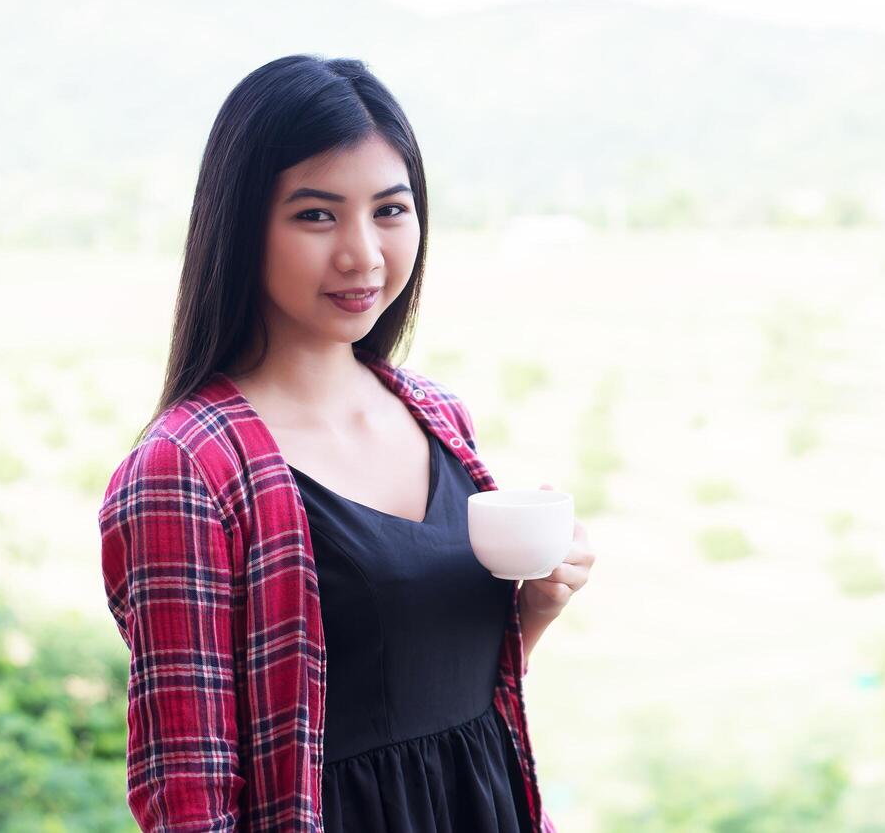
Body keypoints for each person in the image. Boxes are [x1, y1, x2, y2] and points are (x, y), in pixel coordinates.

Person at [97, 54, 594, 831]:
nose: (362, 253)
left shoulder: (436, 414)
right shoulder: (186, 470)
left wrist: (531, 611)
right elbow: (188, 800)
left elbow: (420, 687)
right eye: (317, 215)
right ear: (240, 225)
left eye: (389, 211)